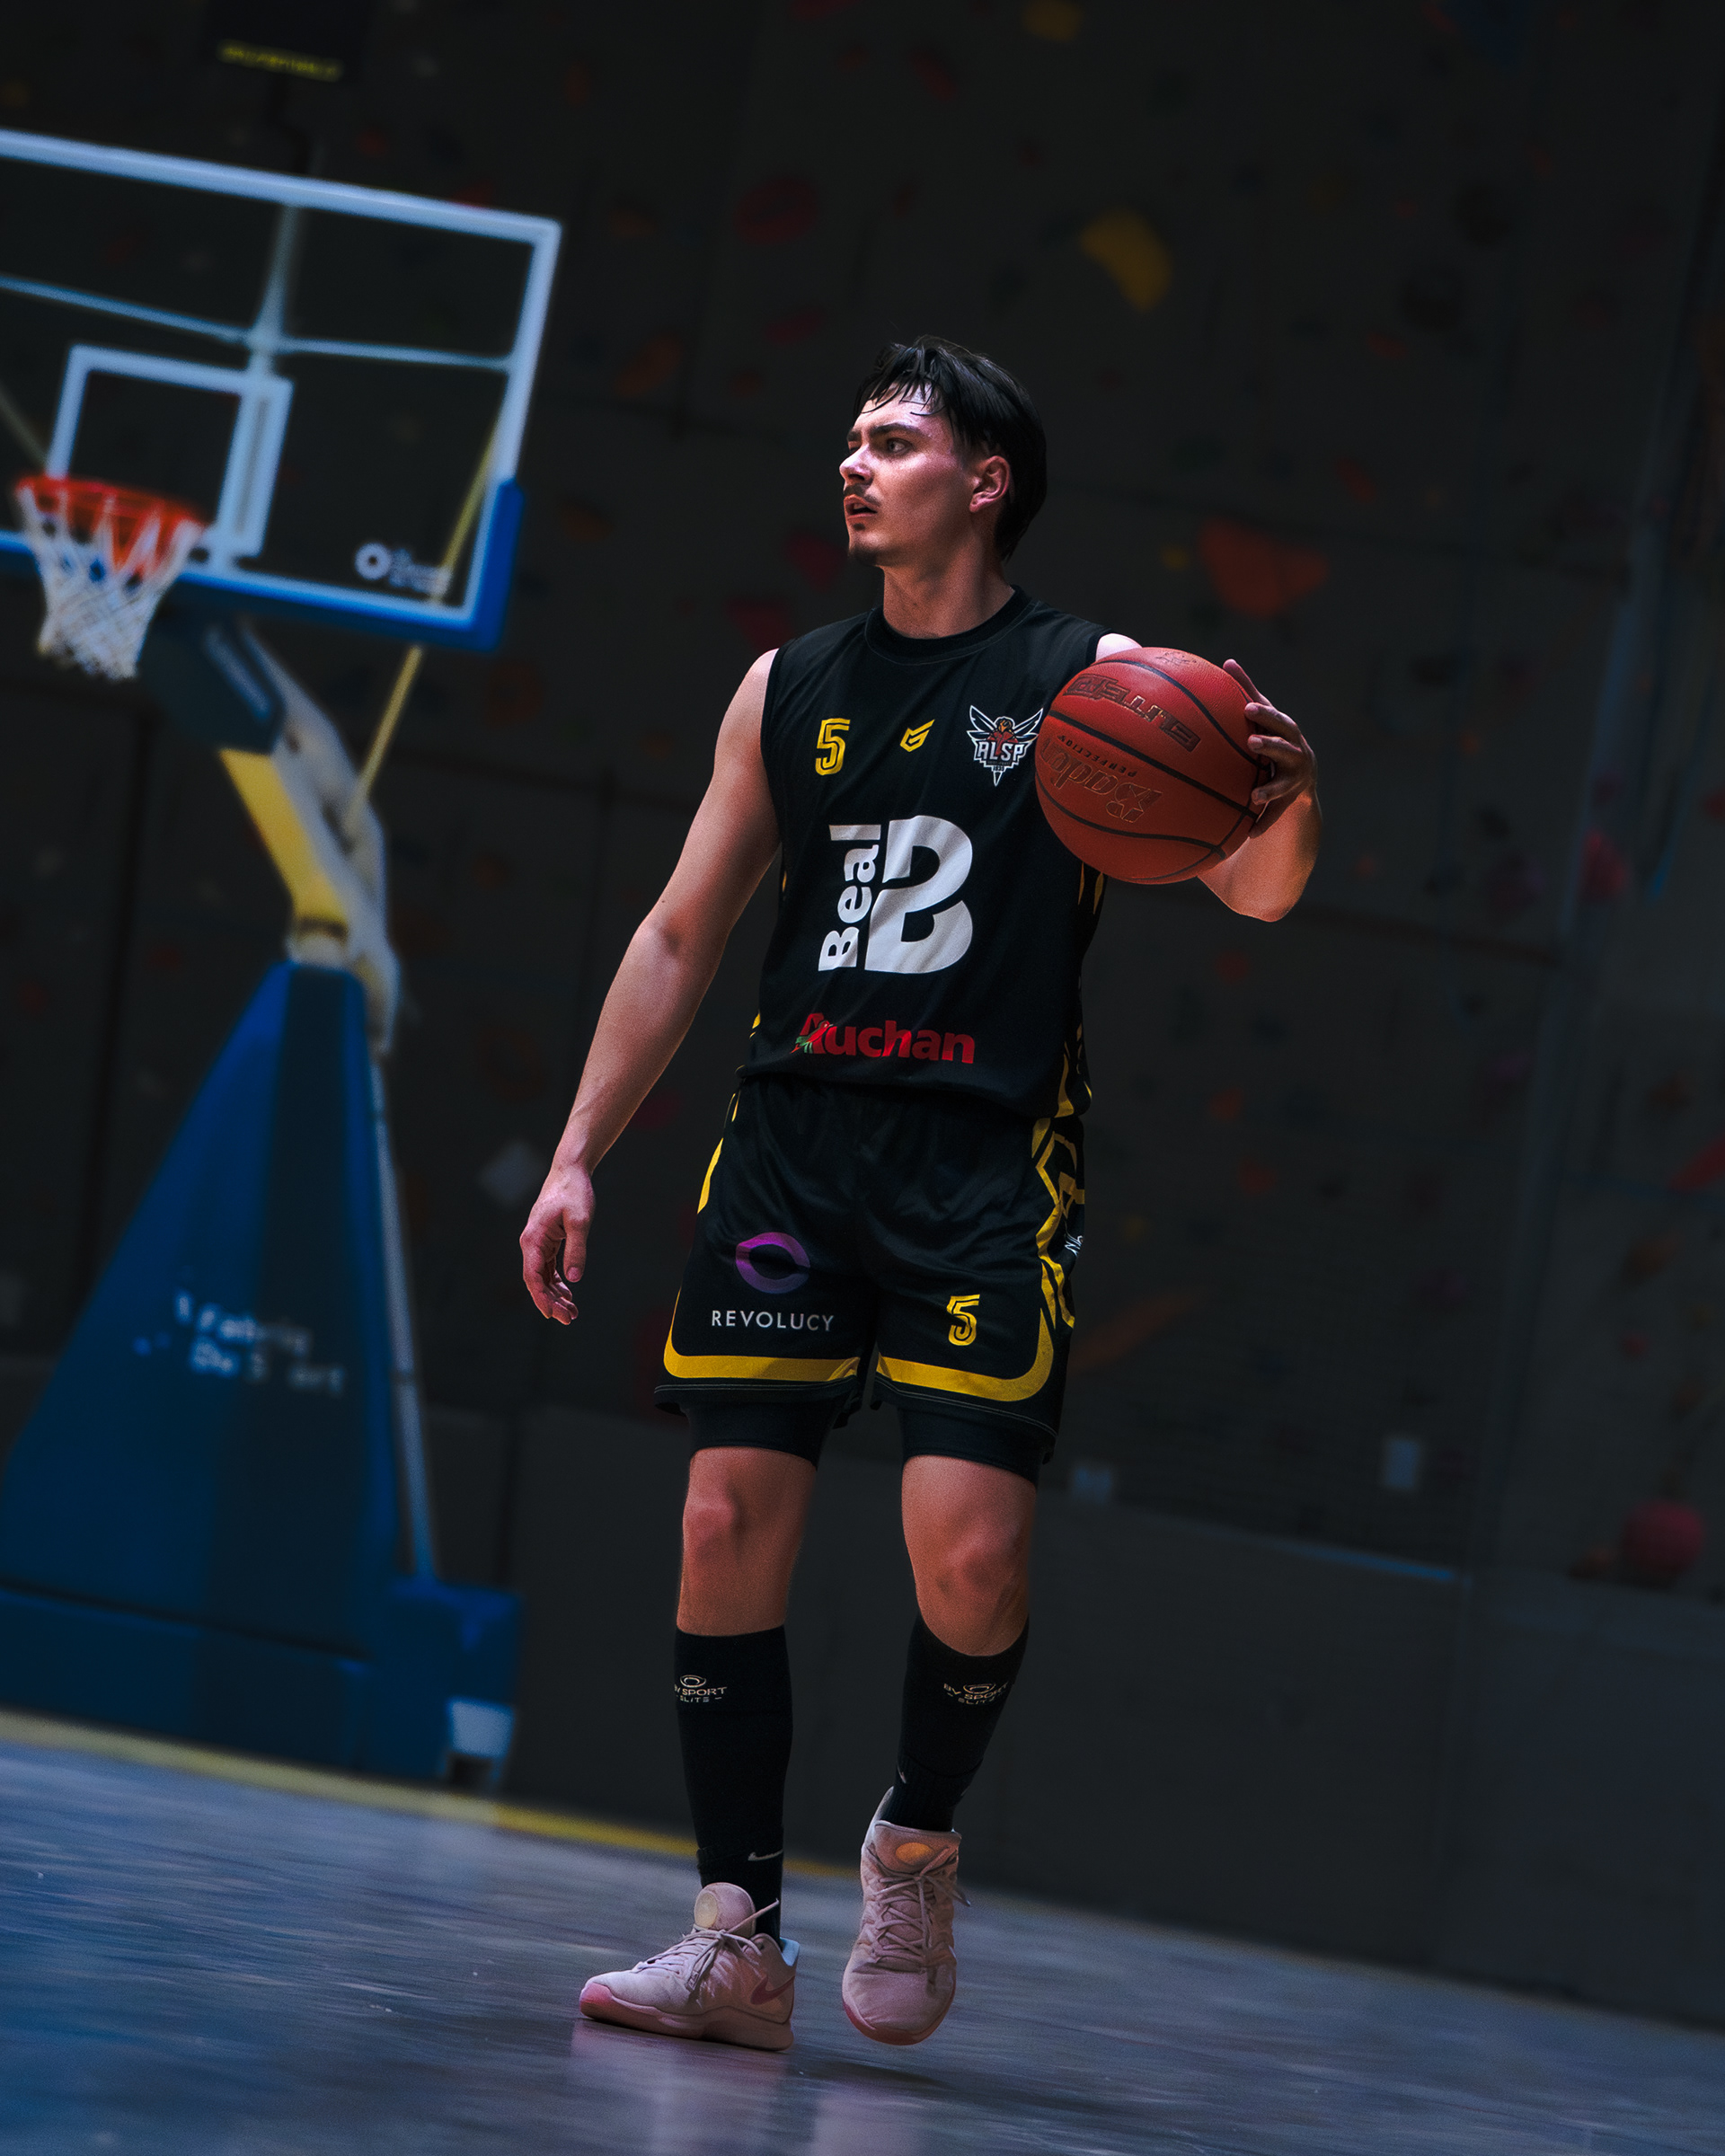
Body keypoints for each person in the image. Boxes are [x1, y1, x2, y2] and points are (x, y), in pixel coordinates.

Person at [520, 335, 1320, 2053]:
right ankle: (735, 1939)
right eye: (853, 440)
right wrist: (579, 1149)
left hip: (983, 1162)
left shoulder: (1098, 682)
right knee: (723, 1523)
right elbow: (679, 931)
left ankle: (917, 1837)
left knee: (971, 1556)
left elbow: (1261, 892)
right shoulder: (787, 684)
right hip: (793, 1151)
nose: (855, 464)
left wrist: (1289, 789)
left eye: (893, 441)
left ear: (986, 480)